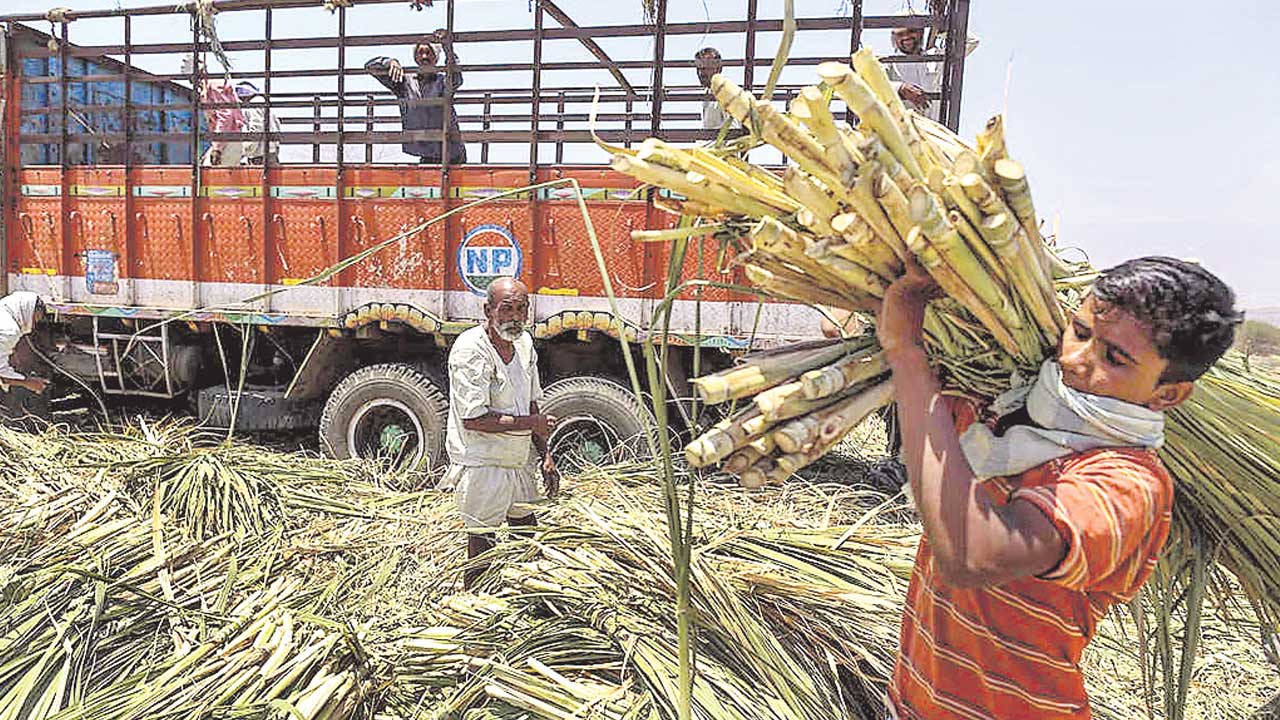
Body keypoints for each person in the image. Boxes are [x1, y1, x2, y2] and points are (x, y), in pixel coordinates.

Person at [879, 256, 1241, 719]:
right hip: (913, 699)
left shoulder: (1127, 484)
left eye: (1115, 358)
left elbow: (973, 555)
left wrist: (906, 352)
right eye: (1080, 331)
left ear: (1167, 394)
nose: (1072, 359)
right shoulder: (1004, 413)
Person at [443, 277, 558, 589]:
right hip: (484, 463)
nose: (515, 317)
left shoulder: (524, 344)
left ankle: (528, 597)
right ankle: (475, 607)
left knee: (528, 534)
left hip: (518, 459)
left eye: (522, 309)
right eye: (506, 309)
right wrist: (531, 425)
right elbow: (474, 419)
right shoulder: (471, 350)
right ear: (488, 310)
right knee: (483, 543)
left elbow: (531, 401)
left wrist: (545, 454)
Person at [365, 32, 466, 165]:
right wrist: (389, 62)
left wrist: (447, 47)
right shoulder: (404, 82)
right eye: (420, 52)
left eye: (429, 52)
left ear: (436, 58)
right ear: (415, 57)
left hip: (452, 153)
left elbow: (456, 75)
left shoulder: (443, 82)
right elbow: (370, 66)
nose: (424, 57)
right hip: (427, 154)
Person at [885, 17, 979, 121]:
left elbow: (971, 42)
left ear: (921, 32)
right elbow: (871, 84)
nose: (906, 37)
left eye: (912, 31)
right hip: (904, 131)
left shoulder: (935, 56)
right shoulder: (889, 63)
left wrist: (943, 28)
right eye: (900, 34)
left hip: (935, 128)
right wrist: (900, 88)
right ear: (894, 38)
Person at [183, 55, 245, 167]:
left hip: (230, 139)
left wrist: (217, 148)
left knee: (212, 177)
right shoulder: (207, 88)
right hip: (226, 139)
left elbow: (226, 116)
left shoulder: (214, 85)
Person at [0, 292, 49, 394]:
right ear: (27, 311)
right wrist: (29, 383)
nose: (34, 325)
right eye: (35, 319)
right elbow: (2, 374)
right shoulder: (9, 330)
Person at [234, 82, 281, 166]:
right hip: (270, 150)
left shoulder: (253, 105)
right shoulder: (263, 102)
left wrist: (245, 151)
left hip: (260, 154)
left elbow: (256, 129)